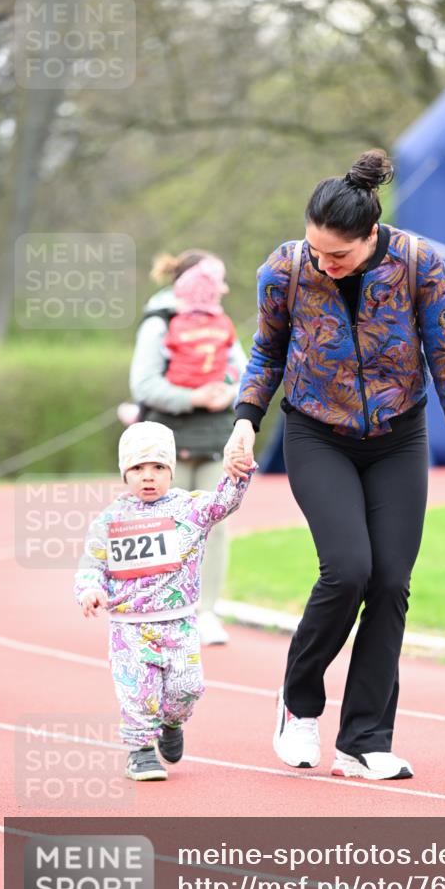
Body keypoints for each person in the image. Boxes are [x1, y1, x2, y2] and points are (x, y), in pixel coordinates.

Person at [223, 149, 445, 782]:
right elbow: (267, 351)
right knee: (347, 570)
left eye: (338, 255)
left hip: (399, 437)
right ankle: (299, 705)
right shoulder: (285, 269)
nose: (325, 263)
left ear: (371, 234)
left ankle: (365, 738)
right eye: (317, 250)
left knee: (391, 583)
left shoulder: (418, 264)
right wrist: (245, 419)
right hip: (317, 432)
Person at [75, 422, 256, 782]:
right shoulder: (110, 520)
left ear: (171, 470)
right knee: (138, 693)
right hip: (130, 628)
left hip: (179, 623)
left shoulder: (190, 508)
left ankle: (172, 723)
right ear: (124, 472)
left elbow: (224, 502)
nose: (148, 476)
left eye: (158, 467)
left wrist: (237, 472)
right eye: (138, 468)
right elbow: (92, 564)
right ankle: (141, 751)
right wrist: (90, 590)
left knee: (187, 688)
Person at [129, 249, 248, 646]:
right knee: (163, 527)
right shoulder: (159, 322)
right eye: (218, 280)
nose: (225, 289)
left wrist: (227, 392)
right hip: (166, 443)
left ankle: (206, 612)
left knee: (215, 526)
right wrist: (193, 398)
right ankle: (157, 612)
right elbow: (143, 383)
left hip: (215, 439)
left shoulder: (220, 323)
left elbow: (244, 372)